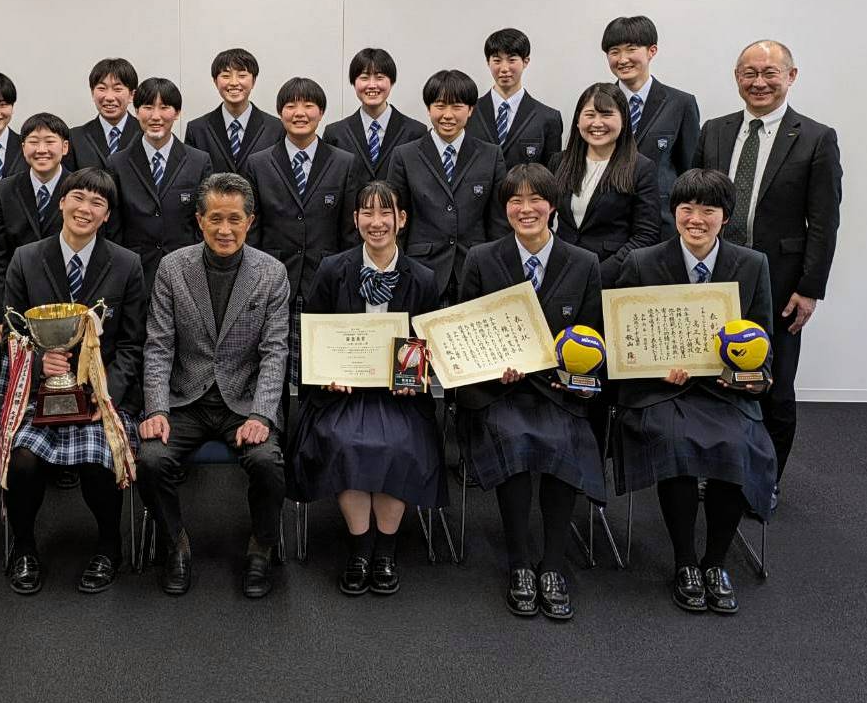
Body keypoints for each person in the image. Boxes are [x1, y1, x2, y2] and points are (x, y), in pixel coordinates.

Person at [614, 169, 777, 615]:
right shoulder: (643, 263)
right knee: (675, 442)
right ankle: (685, 561)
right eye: (686, 208)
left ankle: (716, 562)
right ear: (674, 213)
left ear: (726, 216)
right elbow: (624, 342)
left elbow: (763, 341)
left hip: (725, 391)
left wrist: (749, 377)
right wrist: (655, 370)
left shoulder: (752, 264)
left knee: (737, 444)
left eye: (709, 209)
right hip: (661, 391)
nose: (696, 219)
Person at [456, 164, 605, 621]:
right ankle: (520, 562)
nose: (526, 209)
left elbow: (595, 338)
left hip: (560, 391)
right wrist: (492, 369)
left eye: (536, 199)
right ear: (505, 209)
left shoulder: (584, 263)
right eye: (515, 201)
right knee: (514, 439)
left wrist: (577, 378)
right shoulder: (482, 259)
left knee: (565, 440)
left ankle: (553, 564)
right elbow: (464, 331)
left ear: (552, 206)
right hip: (502, 391)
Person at [693, 40, 841, 496]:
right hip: (715, 276)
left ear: (790, 77)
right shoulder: (714, 131)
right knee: (710, 375)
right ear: (736, 77)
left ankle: (765, 480)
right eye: (749, 73)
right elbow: (695, 202)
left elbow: (824, 221)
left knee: (774, 385)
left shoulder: (816, 138)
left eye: (769, 73)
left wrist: (810, 288)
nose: (759, 82)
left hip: (779, 282)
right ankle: (712, 467)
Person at [136, 173, 290, 598]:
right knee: (150, 460)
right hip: (186, 398)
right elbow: (159, 346)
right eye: (215, 219)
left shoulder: (271, 273)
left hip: (243, 401)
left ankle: (261, 547)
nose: (225, 229)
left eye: (234, 219)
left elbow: (275, 352)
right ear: (199, 220)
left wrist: (262, 415)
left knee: (267, 462)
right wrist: (157, 409)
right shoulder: (173, 268)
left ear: (250, 221)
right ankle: (176, 544)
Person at [288, 180, 446, 596]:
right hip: (342, 393)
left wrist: (415, 379)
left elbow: (428, 346)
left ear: (402, 219)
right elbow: (312, 336)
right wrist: (325, 373)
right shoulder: (332, 270)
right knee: (344, 441)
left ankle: (386, 551)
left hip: (399, 397)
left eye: (385, 213)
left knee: (400, 444)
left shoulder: (423, 278)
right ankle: (359, 548)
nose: (377, 222)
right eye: (368, 213)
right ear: (355, 219)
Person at [0, 168, 147, 595]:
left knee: (99, 455)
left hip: (101, 394)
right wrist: (38, 362)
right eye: (78, 198)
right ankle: (24, 548)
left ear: (107, 215)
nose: (85, 208)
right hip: (39, 393)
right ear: (61, 202)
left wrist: (106, 393)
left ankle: (108, 546)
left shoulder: (127, 264)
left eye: (97, 203)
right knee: (23, 459)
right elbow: (12, 332)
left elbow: (133, 343)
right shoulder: (26, 258)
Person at [246, 76, 362, 383]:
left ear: (321, 112)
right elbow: (253, 230)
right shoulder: (258, 163)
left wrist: (346, 280)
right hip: (273, 280)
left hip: (325, 279)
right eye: (291, 106)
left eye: (308, 105)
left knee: (323, 369)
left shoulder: (344, 163)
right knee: (273, 368)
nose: (300, 113)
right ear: (280, 112)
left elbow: (349, 232)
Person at [385, 69, 509, 303]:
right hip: (421, 270)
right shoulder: (405, 155)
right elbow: (396, 220)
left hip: (474, 270)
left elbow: (498, 222)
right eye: (440, 106)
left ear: (470, 109)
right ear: (428, 108)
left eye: (457, 107)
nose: (448, 115)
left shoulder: (490, 155)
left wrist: (495, 270)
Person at [105, 76, 212, 288]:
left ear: (177, 113)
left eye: (164, 107)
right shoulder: (117, 163)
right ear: (136, 111)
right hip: (135, 274)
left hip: (187, 272)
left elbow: (205, 220)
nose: (156, 116)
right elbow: (113, 228)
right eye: (147, 107)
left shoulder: (199, 161)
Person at [552, 82, 661, 289]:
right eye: (590, 115)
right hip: (563, 275)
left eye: (606, 115)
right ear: (578, 120)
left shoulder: (641, 168)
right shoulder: (559, 162)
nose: (597, 123)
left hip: (613, 280)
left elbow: (646, 236)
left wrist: (597, 275)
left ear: (624, 120)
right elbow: (545, 220)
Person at [602, 16, 701, 238]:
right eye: (614, 52)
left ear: (651, 51)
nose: (622, 59)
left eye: (631, 49)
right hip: (609, 223)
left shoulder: (681, 103)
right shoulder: (598, 103)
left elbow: (690, 173)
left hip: (661, 223)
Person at [0, 113, 70, 343]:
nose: (41, 149)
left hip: (67, 304)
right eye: (33, 142)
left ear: (64, 147)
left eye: (49, 141)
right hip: (19, 300)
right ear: (23, 148)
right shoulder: (3, 190)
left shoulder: (78, 189)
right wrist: (2, 315)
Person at [324, 47, 427, 180]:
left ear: (392, 82)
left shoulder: (415, 132)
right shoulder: (335, 134)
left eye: (379, 77)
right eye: (364, 77)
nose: (372, 85)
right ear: (354, 82)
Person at [468, 27, 564, 168]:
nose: (504, 68)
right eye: (497, 60)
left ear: (526, 61)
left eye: (512, 60)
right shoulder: (469, 113)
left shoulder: (548, 118)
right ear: (488, 62)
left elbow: (551, 174)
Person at [185, 47, 283, 173]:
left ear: (253, 81)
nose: (234, 83)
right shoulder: (196, 130)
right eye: (226, 76)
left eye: (242, 76)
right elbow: (191, 176)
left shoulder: (276, 128)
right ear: (215, 81)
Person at [65, 58, 141, 170]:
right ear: (92, 93)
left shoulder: (145, 133)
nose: (109, 97)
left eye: (117, 89)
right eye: (102, 88)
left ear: (132, 95)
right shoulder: (75, 138)